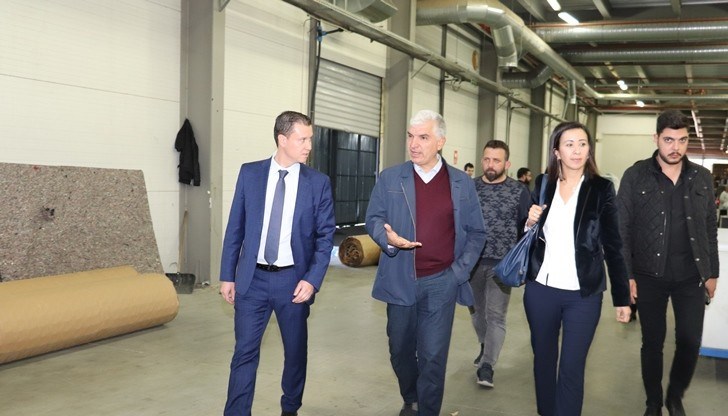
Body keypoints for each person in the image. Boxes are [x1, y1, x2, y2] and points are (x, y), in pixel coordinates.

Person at [365, 110, 486, 416]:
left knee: (433, 357)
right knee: (400, 350)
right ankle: (412, 397)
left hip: (441, 281)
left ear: (440, 142)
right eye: (410, 136)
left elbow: (477, 232)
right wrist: (386, 237)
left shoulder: (461, 183)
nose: (413, 144)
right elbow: (374, 218)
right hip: (400, 278)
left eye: (423, 137)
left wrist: (457, 273)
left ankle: (427, 409)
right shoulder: (391, 178)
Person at [219, 111, 336, 416]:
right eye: (302, 139)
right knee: (244, 353)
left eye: (310, 139)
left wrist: (312, 279)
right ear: (282, 139)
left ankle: (290, 408)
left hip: (293, 282)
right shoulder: (250, 174)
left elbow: (325, 238)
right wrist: (227, 275)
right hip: (252, 280)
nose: (309, 146)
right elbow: (235, 227)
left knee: (295, 353)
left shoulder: (318, 183)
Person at [525, 121, 631, 416]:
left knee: (572, 366)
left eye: (582, 144)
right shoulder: (543, 184)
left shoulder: (601, 188)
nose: (577, 150)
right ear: (556, 151)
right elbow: (527, 234)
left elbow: (614, 245)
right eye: (569, 144)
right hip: (541, 290)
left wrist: (622, 298)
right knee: (543, 361)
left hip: (583, 295)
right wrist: (529, 221)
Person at [617, 110, 719, 416]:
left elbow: (709, 228)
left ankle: (675, 396)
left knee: (689, 340)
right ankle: (653, 402)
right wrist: (626, 276)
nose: (676, 147)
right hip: (649, 275)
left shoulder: (701, 177)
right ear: (656, 138)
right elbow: (622, 229)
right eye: (669, 140)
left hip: (691, 275)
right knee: (652, 342)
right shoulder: (636, 175)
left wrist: (712, 272)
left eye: (682, 140)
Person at [470, 140, 530, 388]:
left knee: (495, 315)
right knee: (477, 313)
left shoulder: (519, 191)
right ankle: (486, 345)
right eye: (487, 159)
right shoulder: (470, 188)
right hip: (471, 263)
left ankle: (487, 366)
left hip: (503, 266)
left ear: (507, 164)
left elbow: (527, 228)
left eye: (496, 160)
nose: (490, 165)